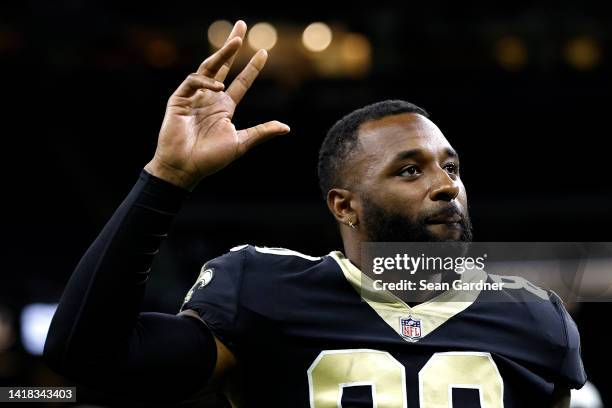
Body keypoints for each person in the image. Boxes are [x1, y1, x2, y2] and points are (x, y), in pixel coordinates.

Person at [44, 20, 586, 407]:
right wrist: (167, 177)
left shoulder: (536, 317)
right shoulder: (261, 292)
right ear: (344, 204)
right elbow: (85, 356)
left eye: (452, 167)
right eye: (409, 170)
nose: (446, 186)